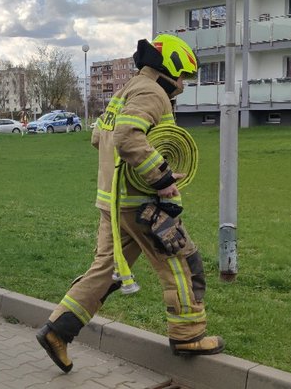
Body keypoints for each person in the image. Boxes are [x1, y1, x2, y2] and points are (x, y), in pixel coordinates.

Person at [36, 34, 224, 374]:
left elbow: (99, 137)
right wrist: (162, 178)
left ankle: (56, 332)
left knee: (105, 272)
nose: (182, 84)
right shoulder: (152, 93)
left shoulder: (127, 89)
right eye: (182, 76)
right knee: (183, 262)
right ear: (170, 67)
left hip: (113, 203)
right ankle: (187, 335)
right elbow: (127, 136)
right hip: (142, 205)